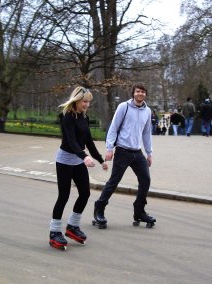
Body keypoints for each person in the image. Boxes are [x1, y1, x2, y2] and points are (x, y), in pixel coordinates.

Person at [49, 86, 108, 250]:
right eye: (84, 101)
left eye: (89, 102)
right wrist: (85, 157)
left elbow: (88, 141)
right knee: (64, 195)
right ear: (76, 100)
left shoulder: (84, 117)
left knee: (85, 193)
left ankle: (72, 226)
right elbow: (71, 141)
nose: (87, 105)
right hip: (65, 160)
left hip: (78, 160)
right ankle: (54, 231)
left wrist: (100, 159)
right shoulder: (67, 117)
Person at [93, 83, 156, 228]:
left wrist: (149, 153)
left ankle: (139, 211)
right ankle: (99, 209)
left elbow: (147, 133)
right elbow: (113, 127)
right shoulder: (124, 107)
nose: (140, 94)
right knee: (114, 182)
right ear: (133, 93)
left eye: (143, 92)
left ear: (145, 94)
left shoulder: (147, 111)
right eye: (138, 91)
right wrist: (109, 148)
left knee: (145, 180)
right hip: (122, 150)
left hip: (137, 152)